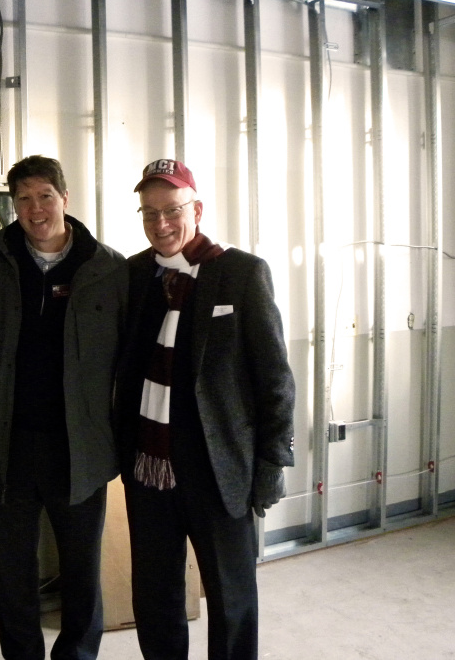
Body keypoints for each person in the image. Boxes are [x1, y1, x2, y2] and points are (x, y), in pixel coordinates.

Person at [114, 159, 295, 660]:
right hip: (148, 466)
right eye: (149, 213)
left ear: (197, 209)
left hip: (217, 467)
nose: (161, 224)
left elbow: (275, 379)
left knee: (231, 595)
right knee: (155, 593)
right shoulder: (132, 275)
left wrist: (273, 463)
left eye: (171, 210)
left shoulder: (240, 273)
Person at [0, 155, 127, 660]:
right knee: (13, 573)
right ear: (12, 204)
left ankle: (78, 655)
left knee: (82, 569)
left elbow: (129, 359)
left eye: (44, 196)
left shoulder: (108, 269)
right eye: (23, 199)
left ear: (65, 198)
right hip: (10, 445)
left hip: (78, 449)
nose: (35, 209)